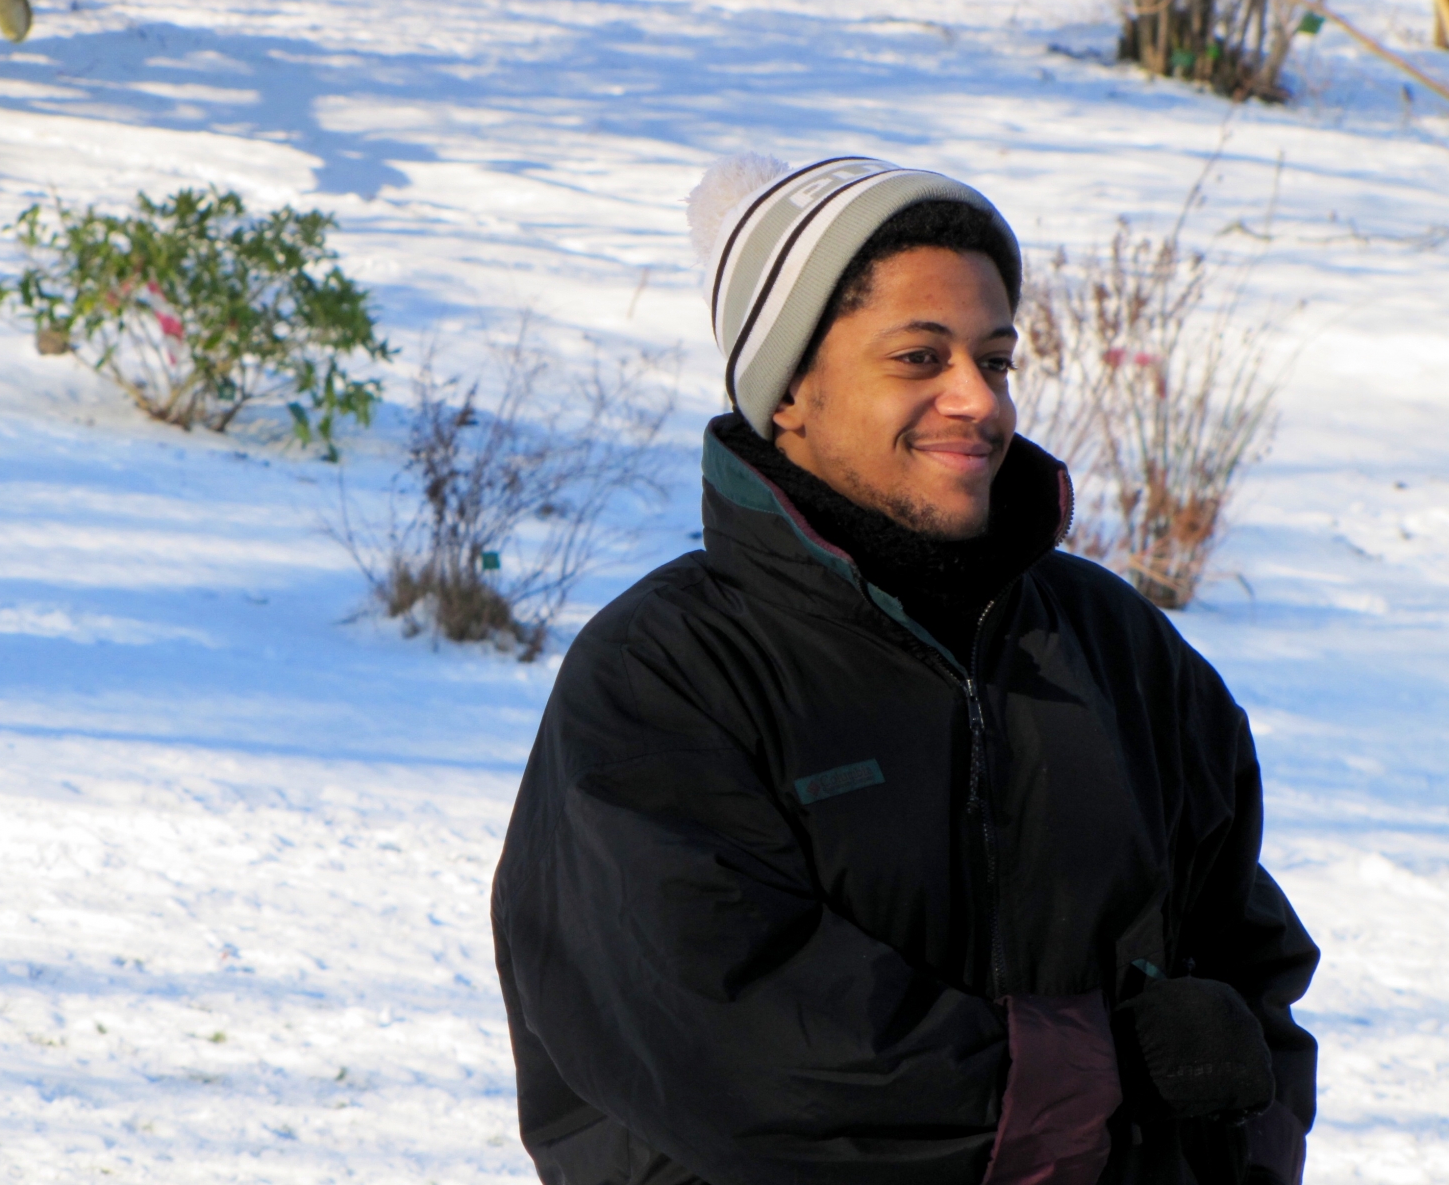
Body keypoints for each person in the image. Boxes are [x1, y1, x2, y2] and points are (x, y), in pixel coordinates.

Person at [492, 154, 1318, 1185]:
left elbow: (1248, 970)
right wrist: (1100, 1073)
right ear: (791, 390)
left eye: (996, 360)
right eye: (920, 357)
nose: (978, 400)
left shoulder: (1113, 645)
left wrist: (1241, 1145)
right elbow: (742, 1048)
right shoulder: (666, 674)